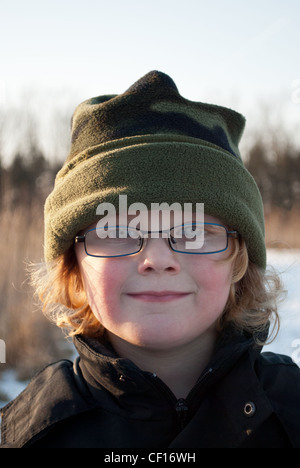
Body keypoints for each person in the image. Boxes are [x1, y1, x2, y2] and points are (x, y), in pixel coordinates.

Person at [1, 71, 300, 449]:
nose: (157, 260)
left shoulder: (291, 414)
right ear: (73, 265)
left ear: (238, 259)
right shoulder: (30, 435)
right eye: (116, 232)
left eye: (193, 232)